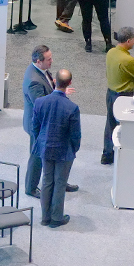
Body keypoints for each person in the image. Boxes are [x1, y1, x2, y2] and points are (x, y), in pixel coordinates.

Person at [30, 68, 80, 227]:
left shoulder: (40, 102)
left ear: (54, 81)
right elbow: (75, 135)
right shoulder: (72, 107)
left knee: (46, 181)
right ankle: (57, 217)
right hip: (63, 151)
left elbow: (35, 128)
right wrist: (74, 148)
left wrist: (41, 140)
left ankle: (45, 217)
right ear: (69, 83)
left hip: (45, 148)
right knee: (59, 183)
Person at [98, 26, 134, 165]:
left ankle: (107, 154)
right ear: (128, 41)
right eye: (133, 39)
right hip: (123, 96)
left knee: (110, 124)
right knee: (125, 125)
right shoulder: (128, 60)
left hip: (111, 92)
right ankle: (123, 155)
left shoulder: (111, 52)